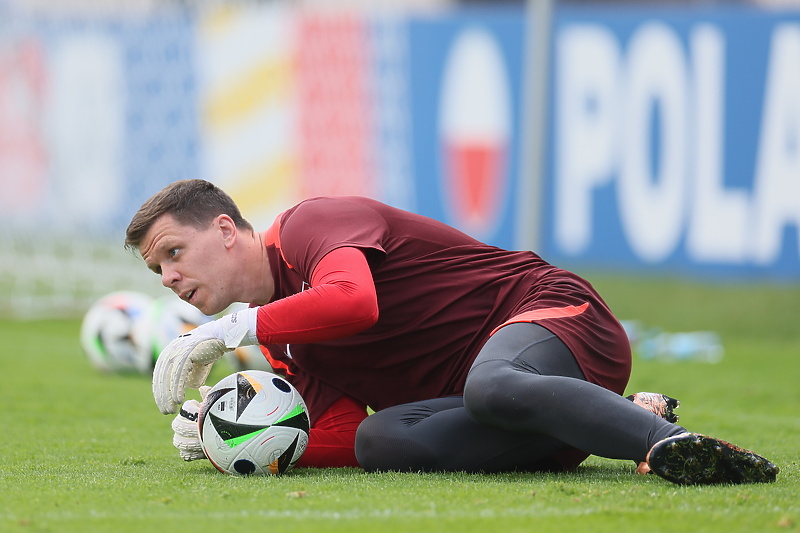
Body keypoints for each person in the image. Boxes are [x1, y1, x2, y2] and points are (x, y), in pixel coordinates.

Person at [125, 179, 779, 485]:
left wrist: (229, 329)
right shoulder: (280, 341)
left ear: (224, 229)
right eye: (158, 269)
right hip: (510, 401)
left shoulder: (307, 226)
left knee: (492, 383)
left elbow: (353, 302)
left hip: (555, 315)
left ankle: (675, 445)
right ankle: (604, 419)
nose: (167, 276)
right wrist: (232, 433)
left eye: (173, 252)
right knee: (383, 437)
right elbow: (339, 436)